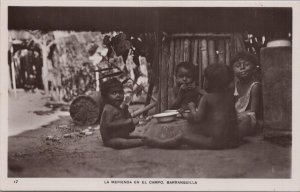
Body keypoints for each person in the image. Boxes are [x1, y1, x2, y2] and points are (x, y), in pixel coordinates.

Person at [145, 63, 240, 149]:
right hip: (234, 141)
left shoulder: (207, 98)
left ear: (207, 82)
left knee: (183, 137)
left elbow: (196, 118)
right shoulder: (229, 97)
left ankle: (160, 143)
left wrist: (191, 108)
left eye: (205, 79)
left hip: (216, 143)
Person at [99, 78, 144, 149]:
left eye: (120, 92)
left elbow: (129, 124)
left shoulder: (118, 108)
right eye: (114, 93)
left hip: (121, 134)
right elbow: (108, 125)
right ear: (105, 97)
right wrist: (127, 122)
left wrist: (126, 109)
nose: (118, 95)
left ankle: (143, 139)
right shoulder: (108, 108)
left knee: (140, 136)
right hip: (111, 139)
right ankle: (142, 142)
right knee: (122, 143)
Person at [231, 52, 263, 137]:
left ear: (254, 69)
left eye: (246, 65)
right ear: (232, 70)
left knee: (246, 120)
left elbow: (253, 112)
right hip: (236, 118)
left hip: (249, 119)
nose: (242, 68)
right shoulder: (234, 85)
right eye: (237, 66)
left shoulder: (255, 86)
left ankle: (233, 136)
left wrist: (237, 116)